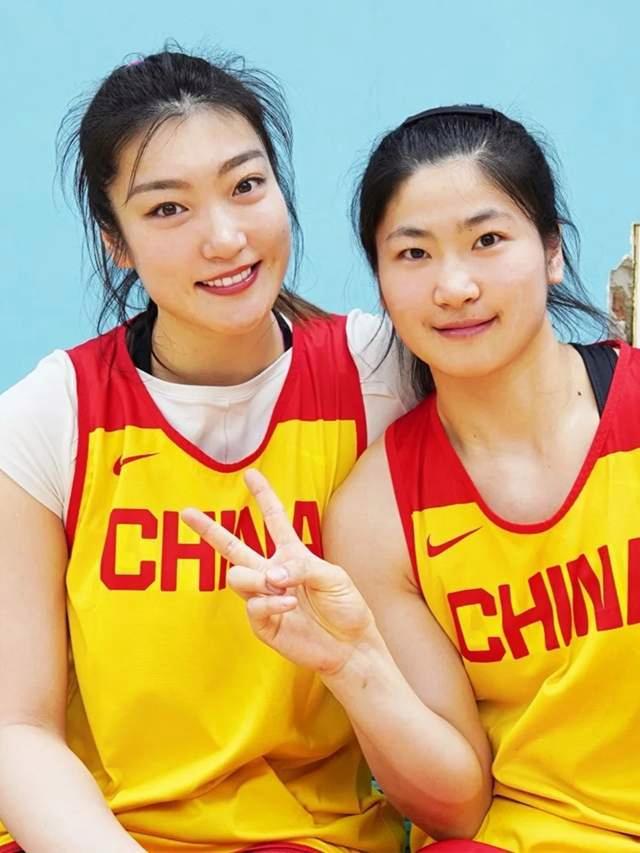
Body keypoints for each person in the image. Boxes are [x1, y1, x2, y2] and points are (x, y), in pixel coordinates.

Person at [184, 105, 640, 852]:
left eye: (487, 240)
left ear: (552, 251)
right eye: (414, 253)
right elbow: (457, 810)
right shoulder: (377, 512)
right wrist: (351, 660)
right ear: (382, 282)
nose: (454, 286)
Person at [0, 49, 412, 852]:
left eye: (246, 185)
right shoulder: (50, 418)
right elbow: (18, 726)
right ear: (115, 241)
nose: (225, 237)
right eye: (167, 209)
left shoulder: (378, 376)